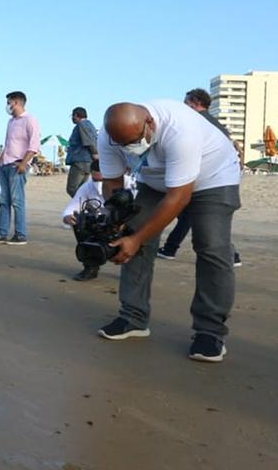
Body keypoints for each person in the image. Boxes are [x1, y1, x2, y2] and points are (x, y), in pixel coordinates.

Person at [96, 101, 242, 364]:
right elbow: (112, 182)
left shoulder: (180, 129)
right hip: (154, 180)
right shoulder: (108, 137)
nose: (129, 149)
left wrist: (137, 238)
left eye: (134, 141)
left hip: (214, 176)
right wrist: (116, 219)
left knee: (211, 245)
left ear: (149, 123)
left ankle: (210, 332)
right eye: (122, 144)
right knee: (132, 232)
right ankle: (133, 317)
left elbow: (179, 198)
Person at [158, 89, 242, 266]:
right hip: (220, 176)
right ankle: (170, 248)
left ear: (194, 102)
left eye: (186, 102)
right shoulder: (216, 123)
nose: (184, 106)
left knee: (196, 217)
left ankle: (230, 254)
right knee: (191, 216)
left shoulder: (195, 120)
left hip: (205, 177)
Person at [61, 160, 137, 281]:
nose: (98, 183)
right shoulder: (87, 186)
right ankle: (90, 266)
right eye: (95, 180)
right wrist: (68, 217)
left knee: (135, 227)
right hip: (101, 222)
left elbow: (139, 208)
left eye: (102, 180)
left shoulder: (129, 184)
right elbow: (72, 207)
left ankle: (132, 269)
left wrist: (124, 222)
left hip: (125, 221)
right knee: (81, 223)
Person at [0, 91, 39, 245]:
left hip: (17, 165)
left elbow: (34, 144)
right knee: (3, 201)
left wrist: (24, 163)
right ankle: (2, 233)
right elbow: (9, 143)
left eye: (9, 102)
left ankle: (20, 235)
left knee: (17, 201)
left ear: (16, 102)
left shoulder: (30, 120)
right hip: (4, 165)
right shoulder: (11, 121)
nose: (8, 106)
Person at [66, 107, 99, 197]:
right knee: (81, 189)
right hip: (87, 163)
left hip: (80, 162)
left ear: (76, 115)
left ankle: (88, 206)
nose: (72, 118)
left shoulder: (82, 124)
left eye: (72, 116)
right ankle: (84, 207)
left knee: (72, 189)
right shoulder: (90, 125)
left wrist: (95, 154)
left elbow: (89, 142)